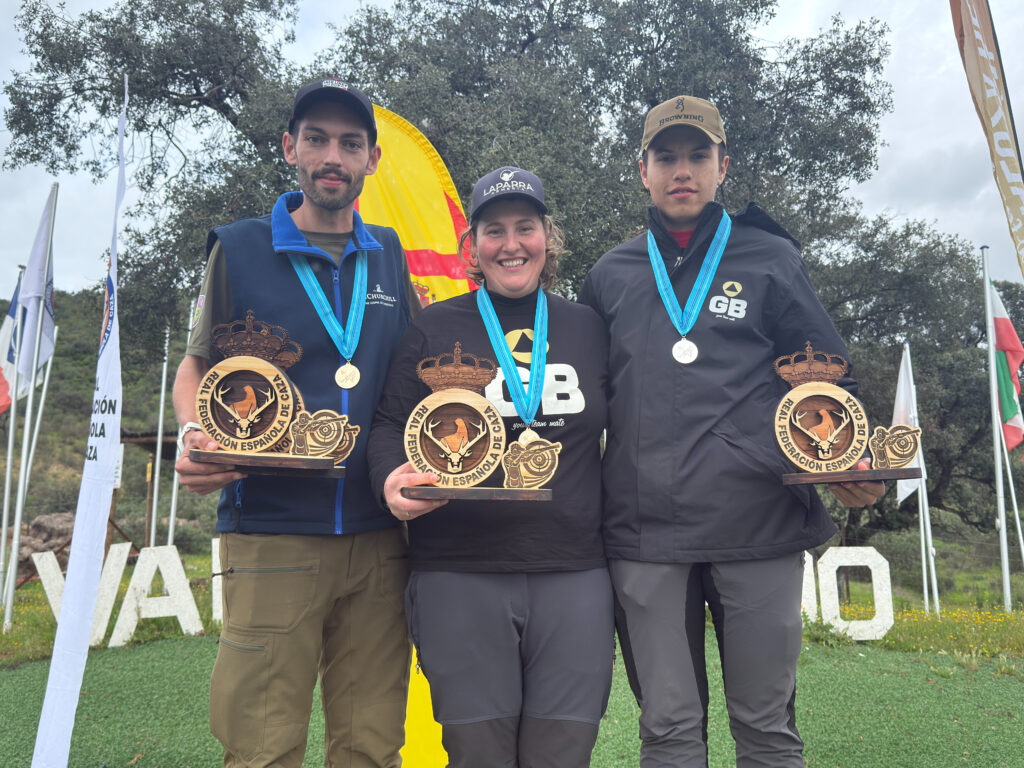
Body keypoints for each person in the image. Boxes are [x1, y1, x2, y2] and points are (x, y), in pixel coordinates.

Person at [579, 96, 883, 767]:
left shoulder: (772, 258)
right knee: (668, 729)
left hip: (759, 520)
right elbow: (578, 399)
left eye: (697, 156)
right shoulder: (609, 274)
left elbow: (829, 378)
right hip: (644, 532)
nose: (681, 170)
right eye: (666, 157)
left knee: (767, 727)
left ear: (723, 166)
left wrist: (853, 456)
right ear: (643, 170)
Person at [172, 79, 414, 768]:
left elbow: (408, 377)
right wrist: (195, 437)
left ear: (372, 160)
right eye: (316, 139)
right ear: (290, 149)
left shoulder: (389, 255)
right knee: (261, 745)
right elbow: (195, 368)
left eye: (350, 142)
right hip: (271, 529)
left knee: (370, 745)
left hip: (378, 540)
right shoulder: (241, 249)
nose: (332, 156)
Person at [367, 167, 613, 767]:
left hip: (573, 571)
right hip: (458, 570)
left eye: (525, 227)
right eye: (494, 230)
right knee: (478, 755)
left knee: (563, 755)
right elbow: (387, 425)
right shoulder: (434, 326)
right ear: (472, 246)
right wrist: (390, 481)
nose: (511, 244)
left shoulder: (587, 326)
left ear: (546, 237)